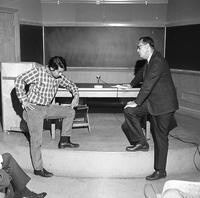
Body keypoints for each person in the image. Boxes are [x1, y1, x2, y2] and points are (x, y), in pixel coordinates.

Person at [121, 36, 179, 180]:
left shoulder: (158, 61)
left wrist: (137, 101)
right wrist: (131, 84)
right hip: (153, 101)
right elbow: (141, 73)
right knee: (129, 111)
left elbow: (148, 85)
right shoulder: (150, 60)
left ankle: (160, 170)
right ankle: (141, 142)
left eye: (139, 47)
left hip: (164, 105)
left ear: (147, 46)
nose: (137, 50)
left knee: (160, 137)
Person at [15, 56, 80, 177]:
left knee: (70, 112)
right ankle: (38, 169)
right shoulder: (38, 72)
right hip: (34, 109)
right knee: (36, 141)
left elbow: (71, 84)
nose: (60, 74)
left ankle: (64, 140)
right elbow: (19, 80)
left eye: (62, 72)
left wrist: (76, 95)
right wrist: (23, 100)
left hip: (47, 108)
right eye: (59, 71)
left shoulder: (58, 76)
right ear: (51, 68)